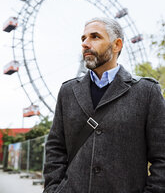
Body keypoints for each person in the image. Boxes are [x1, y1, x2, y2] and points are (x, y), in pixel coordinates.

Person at [43, 17, 165, 193]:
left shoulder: (146, 91)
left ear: (116, 45)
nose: (85, 43)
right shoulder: (68, 91)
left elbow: (162, 156)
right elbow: (55, 148)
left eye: (95, 37)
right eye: (83, 38)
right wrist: (54, 189)